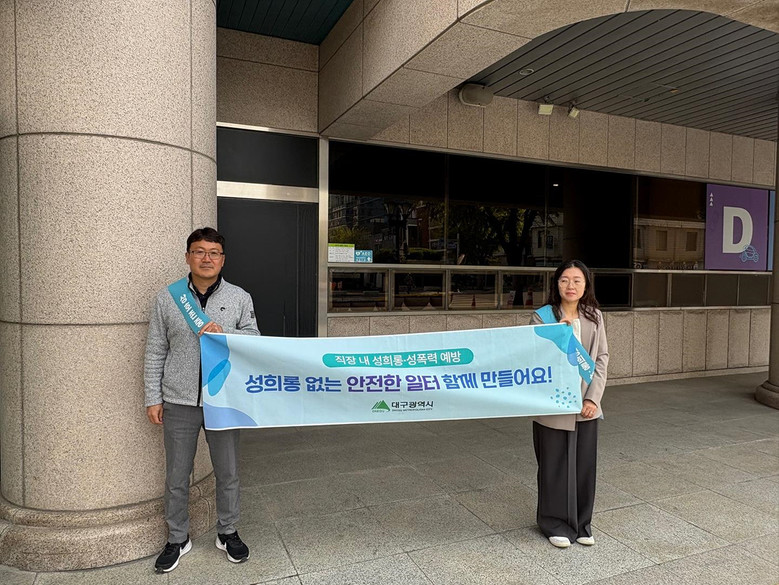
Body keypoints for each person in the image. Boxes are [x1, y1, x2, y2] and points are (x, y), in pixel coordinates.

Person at [144, 227, 260, 572]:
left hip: (224, 399)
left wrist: (226, 332)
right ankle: (177, 538)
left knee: (228, 471)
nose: (206, 258)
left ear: (223, 260)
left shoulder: (240, 297)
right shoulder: (168, 298)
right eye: (199, 251)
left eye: (214, 253)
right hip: (178, 401)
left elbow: (255, 339)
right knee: (177, 475)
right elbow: (155, 350)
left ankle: (228, 531)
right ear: (188, 257)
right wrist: (153, 397)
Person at [530, 259, 609, 549]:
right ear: (556, 284)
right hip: (553, 405)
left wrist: (592, 398)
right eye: (564, 280)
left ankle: (582, 523)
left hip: (585, 405)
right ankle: (553, 523)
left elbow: (601, 358)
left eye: (577, 280)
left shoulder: (595, 316)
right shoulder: (542, 317)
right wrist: (557, 337)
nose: (570, 286)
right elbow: (533, 357)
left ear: (586, 285)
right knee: (554, 466)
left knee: (584, 466)